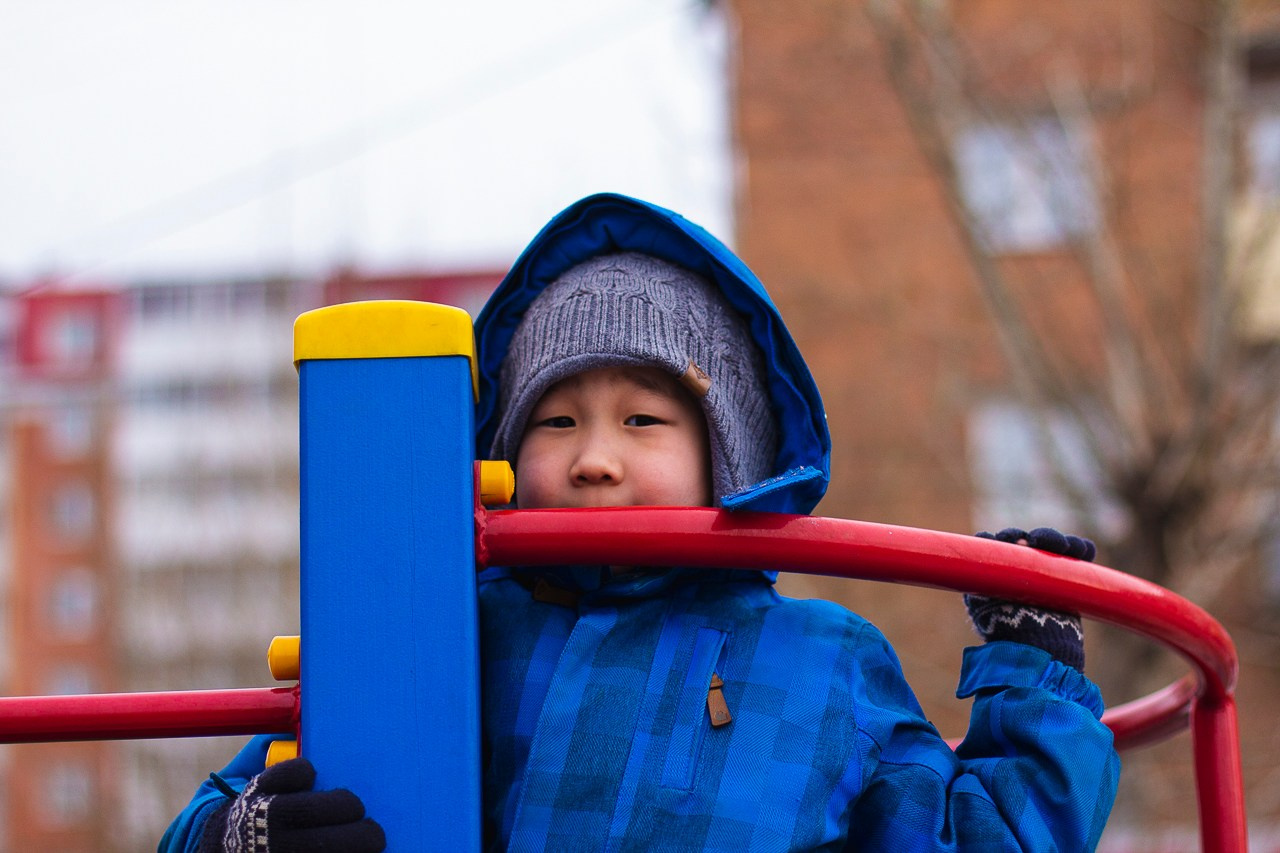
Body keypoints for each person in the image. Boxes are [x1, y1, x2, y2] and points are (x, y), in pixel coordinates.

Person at [160, 193, 1120, 852]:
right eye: (557, 419)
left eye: (644, 420)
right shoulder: (432, 629)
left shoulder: (822, 663)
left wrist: (1030, 669)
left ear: (728, 458)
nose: (595, 456)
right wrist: (238, 833)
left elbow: (976, 838)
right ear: (500, 453)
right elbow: (215, 813)